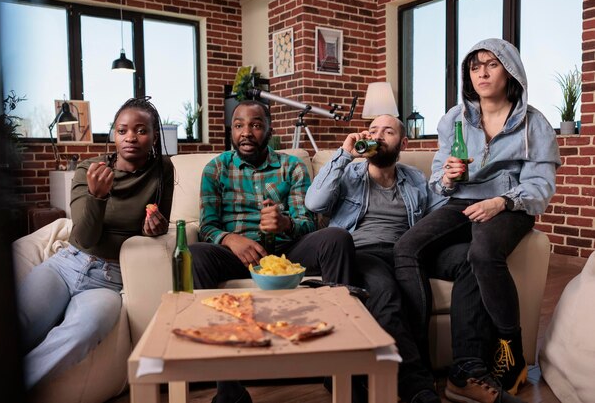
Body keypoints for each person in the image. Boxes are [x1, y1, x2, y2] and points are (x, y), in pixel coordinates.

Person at [393, 38, 561, 402]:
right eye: (475, 66)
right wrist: (449, 178)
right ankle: (414, 365)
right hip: (461, 201)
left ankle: (507, 352)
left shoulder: (535, 124)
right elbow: (438, 179)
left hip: (510, 206)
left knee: (482, 252)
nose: (482, 73)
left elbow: (540, 187)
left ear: (510, 70)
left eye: (492, 64)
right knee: (406, 247)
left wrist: (501, 201)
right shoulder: (454, 118)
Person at [305, 114, 493, 403]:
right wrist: (344, 155)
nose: (379, 136)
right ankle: (417, 386)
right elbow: (315, 203)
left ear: (402, 142)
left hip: (410, 252)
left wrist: (449, 183)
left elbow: (440, 215)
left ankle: (467, 367)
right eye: (373, 130)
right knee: (387, 295)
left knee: (470, 258)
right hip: (364, 253)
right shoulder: (348, 174)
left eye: (388, 131)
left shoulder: (415, 179)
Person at [191, 100, 355, 403]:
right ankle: (229, 390)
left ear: (269, 129)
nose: (246, 132)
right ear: (231, 129)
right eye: (239, 125)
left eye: (255, 125)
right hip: (238, 255)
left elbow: (308, 223)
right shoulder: (216, 168)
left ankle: (340, 373)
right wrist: (229, 239)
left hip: (287, 252)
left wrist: (285, 223)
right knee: (195, 253)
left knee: (336, 237)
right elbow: (207, 226)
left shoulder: (290, 166)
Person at [16, 97, 175, 389]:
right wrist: (97, 197)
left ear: (154, 136)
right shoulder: (89, 170)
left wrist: (157, 229)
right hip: (66, 265)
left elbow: (160, 224)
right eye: (122, 130)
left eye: (141, 130)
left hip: (110, 281)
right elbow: (85, 237)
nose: (130, 137)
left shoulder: (162, 169)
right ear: (113, 134)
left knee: (84, 331)